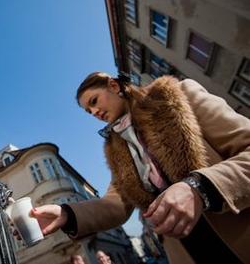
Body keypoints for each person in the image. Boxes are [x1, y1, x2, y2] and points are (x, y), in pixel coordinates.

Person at [18, 72, 250, 264]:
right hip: (187, 251)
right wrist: (67, 213)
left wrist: (198, 188)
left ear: (113, 85)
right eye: (88, 112)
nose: (94, 113)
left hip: (236, 231)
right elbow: (114, 205)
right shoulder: (116, 148)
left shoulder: (179, 96)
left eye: (94, 101)